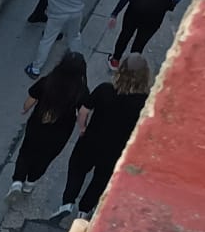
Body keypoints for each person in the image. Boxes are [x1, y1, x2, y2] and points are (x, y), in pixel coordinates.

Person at [59, 54, 153, 217]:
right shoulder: (145, 102)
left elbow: (83, 112)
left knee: (77, 169)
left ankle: (67, 202)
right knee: (100, 180)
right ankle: (84, 210)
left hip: (91, 141)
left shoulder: (105, 90)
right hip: (116, 149)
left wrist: (82, 128)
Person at [9, 50, 92, 195]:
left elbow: (31, 98)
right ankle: (30, 182)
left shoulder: (48, 81)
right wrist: (82, 127)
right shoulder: (81, 90)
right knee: (46, 156)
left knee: (26, 151)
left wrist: (25, 109)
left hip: (38, 123)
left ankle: (17, 182)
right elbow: (82, 113)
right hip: (61, 131)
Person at [3, 0, 93, 77]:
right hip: (75, 13)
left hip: (57, 15)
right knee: (74, 37)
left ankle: (35, 69)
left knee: (47, 41)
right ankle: (78, 64)